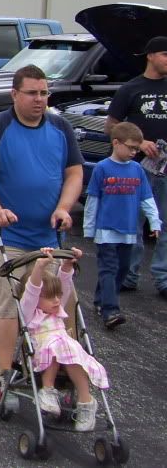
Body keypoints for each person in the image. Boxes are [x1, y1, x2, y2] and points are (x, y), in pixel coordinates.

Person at [0, 63, 83, 403]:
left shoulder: (61, 128)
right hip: (5, 236)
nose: (39, 99)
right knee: (6, 302)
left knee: (63, 305)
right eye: (32, 93)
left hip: (48, 238)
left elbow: (74, 173)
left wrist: (64, 207)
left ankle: (56, 365)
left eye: (44, 93)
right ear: (14, 94)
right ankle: (6, 370)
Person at [105, 35, 167, 298]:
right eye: (165, 54)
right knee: (134, 221)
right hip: (138, 168)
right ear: (150, 55)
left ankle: (163, 277)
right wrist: (139, 143)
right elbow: (111, 125)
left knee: (163, 222)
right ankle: (128, 275)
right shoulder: (131, 89)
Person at [84, 121, 162, 328]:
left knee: (122, 269)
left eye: (137, 149)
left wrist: (155, 222)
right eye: (131, 147)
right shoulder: (102, 168)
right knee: (108, 268)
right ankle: (111, 310)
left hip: (129, 232)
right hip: (106, 230)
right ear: (116, 143)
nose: (134, 152)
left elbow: (147, 198)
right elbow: (93, 200)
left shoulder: (137, 170)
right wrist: (89, 228)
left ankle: (101, 299)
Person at [21, 248, 107, 431]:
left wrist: (68, 265)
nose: (57, 301)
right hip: (43, 351)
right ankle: (48, 390)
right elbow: (32, 290)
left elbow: (65, 284)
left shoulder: (57, 312)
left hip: (65, 351)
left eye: (58, 296)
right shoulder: (30, 313)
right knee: (55, 347)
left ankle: (86, 401)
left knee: (72, 352)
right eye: (50, 297)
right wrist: (39, 267)